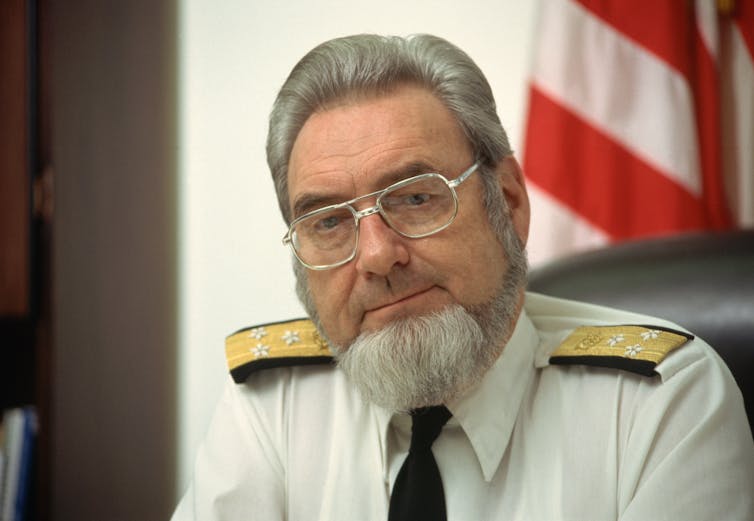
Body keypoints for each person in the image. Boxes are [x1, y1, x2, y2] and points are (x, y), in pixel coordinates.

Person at [172, 34, 754, 520]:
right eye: (328, 222)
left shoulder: (660, 402)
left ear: (508, 202)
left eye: (417, 197)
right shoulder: (272, 404)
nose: (376, 255)